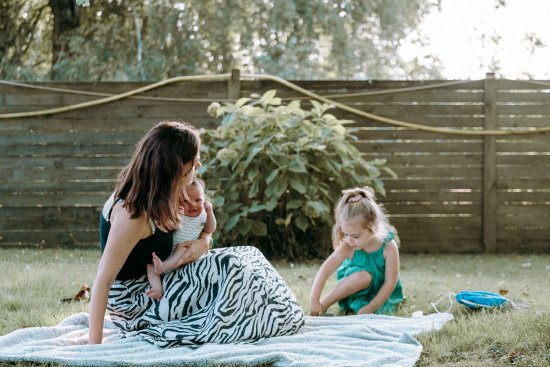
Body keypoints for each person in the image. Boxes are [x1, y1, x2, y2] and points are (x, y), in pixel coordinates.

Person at [89, 121, 304, 347]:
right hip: (139, 298)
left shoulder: (168, 191)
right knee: (233, 268)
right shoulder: (132, 214)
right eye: (194, 162)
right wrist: (94, 345)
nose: (199, 164)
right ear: (175, 167)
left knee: (248, 255)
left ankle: (279, 315)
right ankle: (266, 319)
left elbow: (200, 232)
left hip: (166, 277)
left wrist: (204, 242)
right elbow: (104, 279)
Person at [309, 186, 404, 316]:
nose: (349, 240)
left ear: (373, 228)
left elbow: (390, 282)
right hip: (354, 288)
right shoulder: (347, 246)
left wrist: (371, 307)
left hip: (381, 294)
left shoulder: (389, 247)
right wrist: (315, 300)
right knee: (364, 276)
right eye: (345, 234)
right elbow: (325, 270)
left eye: (355, 236)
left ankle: (366, 306)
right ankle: (324, 305)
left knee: (371, 308)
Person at [146, 178, 217, 300]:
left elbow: (210, 229)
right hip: (164, 253)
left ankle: (164, 267)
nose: (193, 204)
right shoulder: (177, 214)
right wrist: (176, 217)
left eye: (198, 200)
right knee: (150, 265)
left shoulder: (203, 216)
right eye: (186, 201)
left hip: (183, 250)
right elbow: (168, 228)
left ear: (204, 200)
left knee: (183, 248)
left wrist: (210, 211)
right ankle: (157, 289)